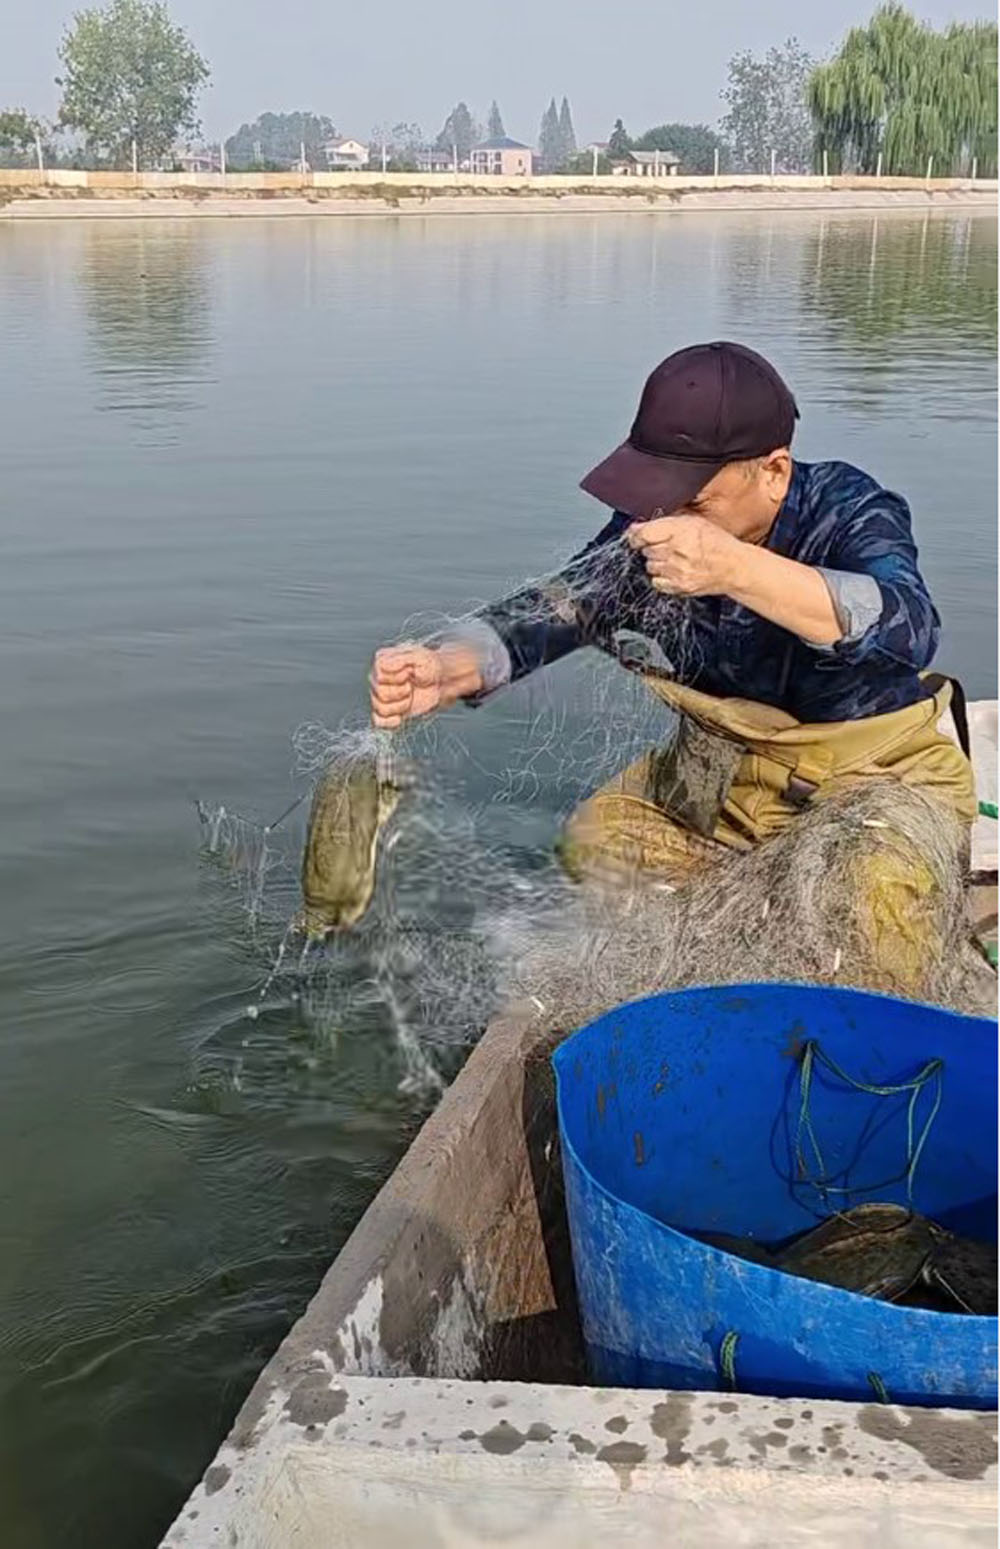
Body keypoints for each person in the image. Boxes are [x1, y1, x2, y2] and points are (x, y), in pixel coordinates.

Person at [369, 341, 975, 899]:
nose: (670, 520)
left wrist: (735, 568)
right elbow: (567, 605)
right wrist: (450, 669)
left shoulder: (850, 508)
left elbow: (910, 627)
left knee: (874, 895)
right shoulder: (647, 531)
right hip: (720, 775)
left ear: (774, 471)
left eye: (696, 501)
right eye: (657, 495)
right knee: (593, 849)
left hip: (870, 779)